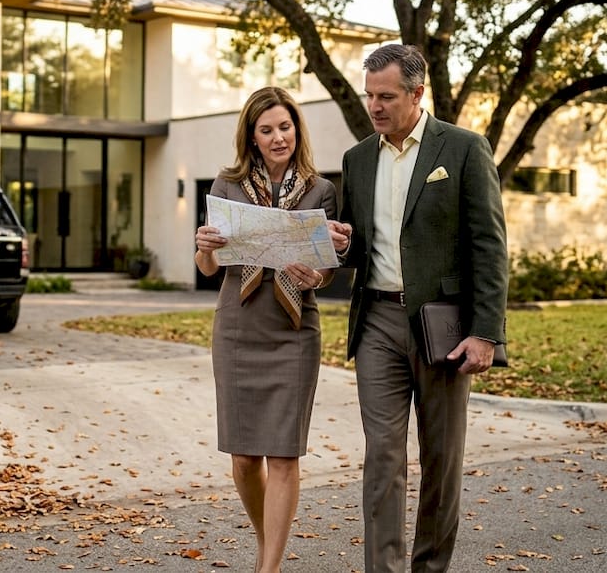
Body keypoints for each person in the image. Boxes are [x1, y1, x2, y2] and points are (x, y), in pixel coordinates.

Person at [326, 43, 508, 573]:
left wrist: (486, 332)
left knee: (441, 459)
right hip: (377, 320)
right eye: (369, 96)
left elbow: (489, 246)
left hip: (442, 324)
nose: (375, 106)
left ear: (416, 93)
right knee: (382, 456)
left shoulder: (464, 149)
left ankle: (430, 568)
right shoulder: (357, 159)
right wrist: (342, 244)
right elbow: (359, 248)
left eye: (386, 96)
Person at [194, 86, 339, 573]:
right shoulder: (227, 185)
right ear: (252, 137)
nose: (279, 137)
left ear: (297, 129)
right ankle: (266, 543)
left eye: (285, 126)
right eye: (267, 130)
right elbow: (209, 268)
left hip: (294, 331)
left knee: (283, 457)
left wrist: (315, 274)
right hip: (238, 328)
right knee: (243, 459)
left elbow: (329, 267)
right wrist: (205, 246)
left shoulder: (321, 190)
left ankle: (268, 568)